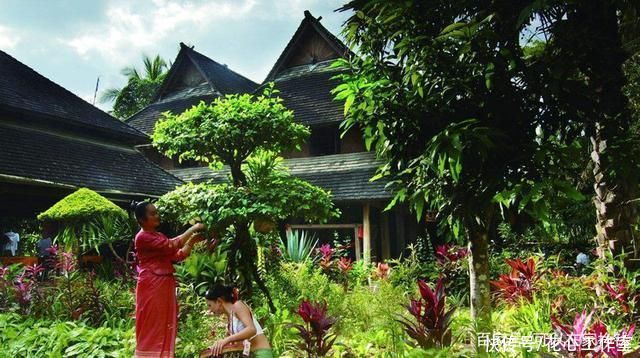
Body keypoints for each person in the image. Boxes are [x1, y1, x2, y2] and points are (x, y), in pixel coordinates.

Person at [131, 200, 204, 358]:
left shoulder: (158, 236)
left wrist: (191, 242)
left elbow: (177, 255)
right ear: (142, 220)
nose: (157, 216)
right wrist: (193, 229)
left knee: (165, 322)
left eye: (156, 212)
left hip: (163, 285)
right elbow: (171, 246)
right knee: (152, 323)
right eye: (152, 214)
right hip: (151, 284)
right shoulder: (142, 237)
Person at [204, 285, 273, 358]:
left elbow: (251, 329)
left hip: (260, 353)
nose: (210, 310)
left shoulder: (238, 305)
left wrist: (226, 340)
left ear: (219, 301)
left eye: (210, 305)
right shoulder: (230, 319)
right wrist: (217, 346)